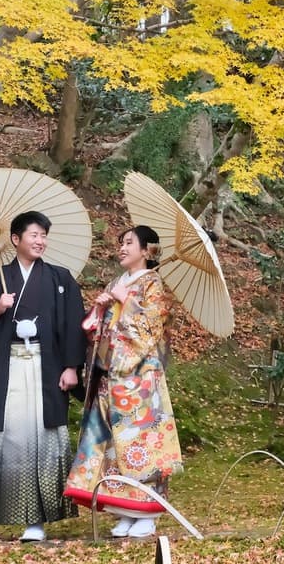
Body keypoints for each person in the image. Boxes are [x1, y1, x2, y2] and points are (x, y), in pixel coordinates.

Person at [0, 210, 86, 543]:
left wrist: (71, 366)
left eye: (44, 235)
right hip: (6, 370)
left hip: (45, 369)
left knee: (41, 441)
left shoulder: (60, 279)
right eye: (34, 235)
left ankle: (36, 521)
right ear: (16, 240)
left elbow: (74, 325)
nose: (40, 241)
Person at [64, 225, 184, 538]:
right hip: (111, 374)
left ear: (147, 251)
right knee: (114, 447)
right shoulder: (118, 281)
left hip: (140, 380)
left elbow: (151, 331)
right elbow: (100, 329)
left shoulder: (154, 283)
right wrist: (101, 309)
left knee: (141, 443)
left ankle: (148, 512)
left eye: (129, 243)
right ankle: (124, 509)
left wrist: (126, 302)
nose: (122, 247)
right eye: (121, 243)